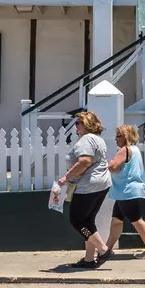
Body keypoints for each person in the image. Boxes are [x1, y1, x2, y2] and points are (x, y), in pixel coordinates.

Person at [59, 109, 112, 268]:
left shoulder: (86, 140)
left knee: (77, 221)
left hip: (88, 186)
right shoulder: (98, 139)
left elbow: (84, 161)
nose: (76, 127)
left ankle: (103, 250)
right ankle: (89, 259)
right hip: (102, 184)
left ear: (86, 124)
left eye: (78, 123)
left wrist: (66, 177)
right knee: (88, 221)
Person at [104, 124, 145, 259]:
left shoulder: (124, 150)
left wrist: (108, 164)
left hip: (126, 191)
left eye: (119, 136)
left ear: (126, 137)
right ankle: (106, 249)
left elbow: (114, 167)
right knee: (116, 220)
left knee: (136, 220)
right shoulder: (135, 150)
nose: (116, 139)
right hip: (126, 191)